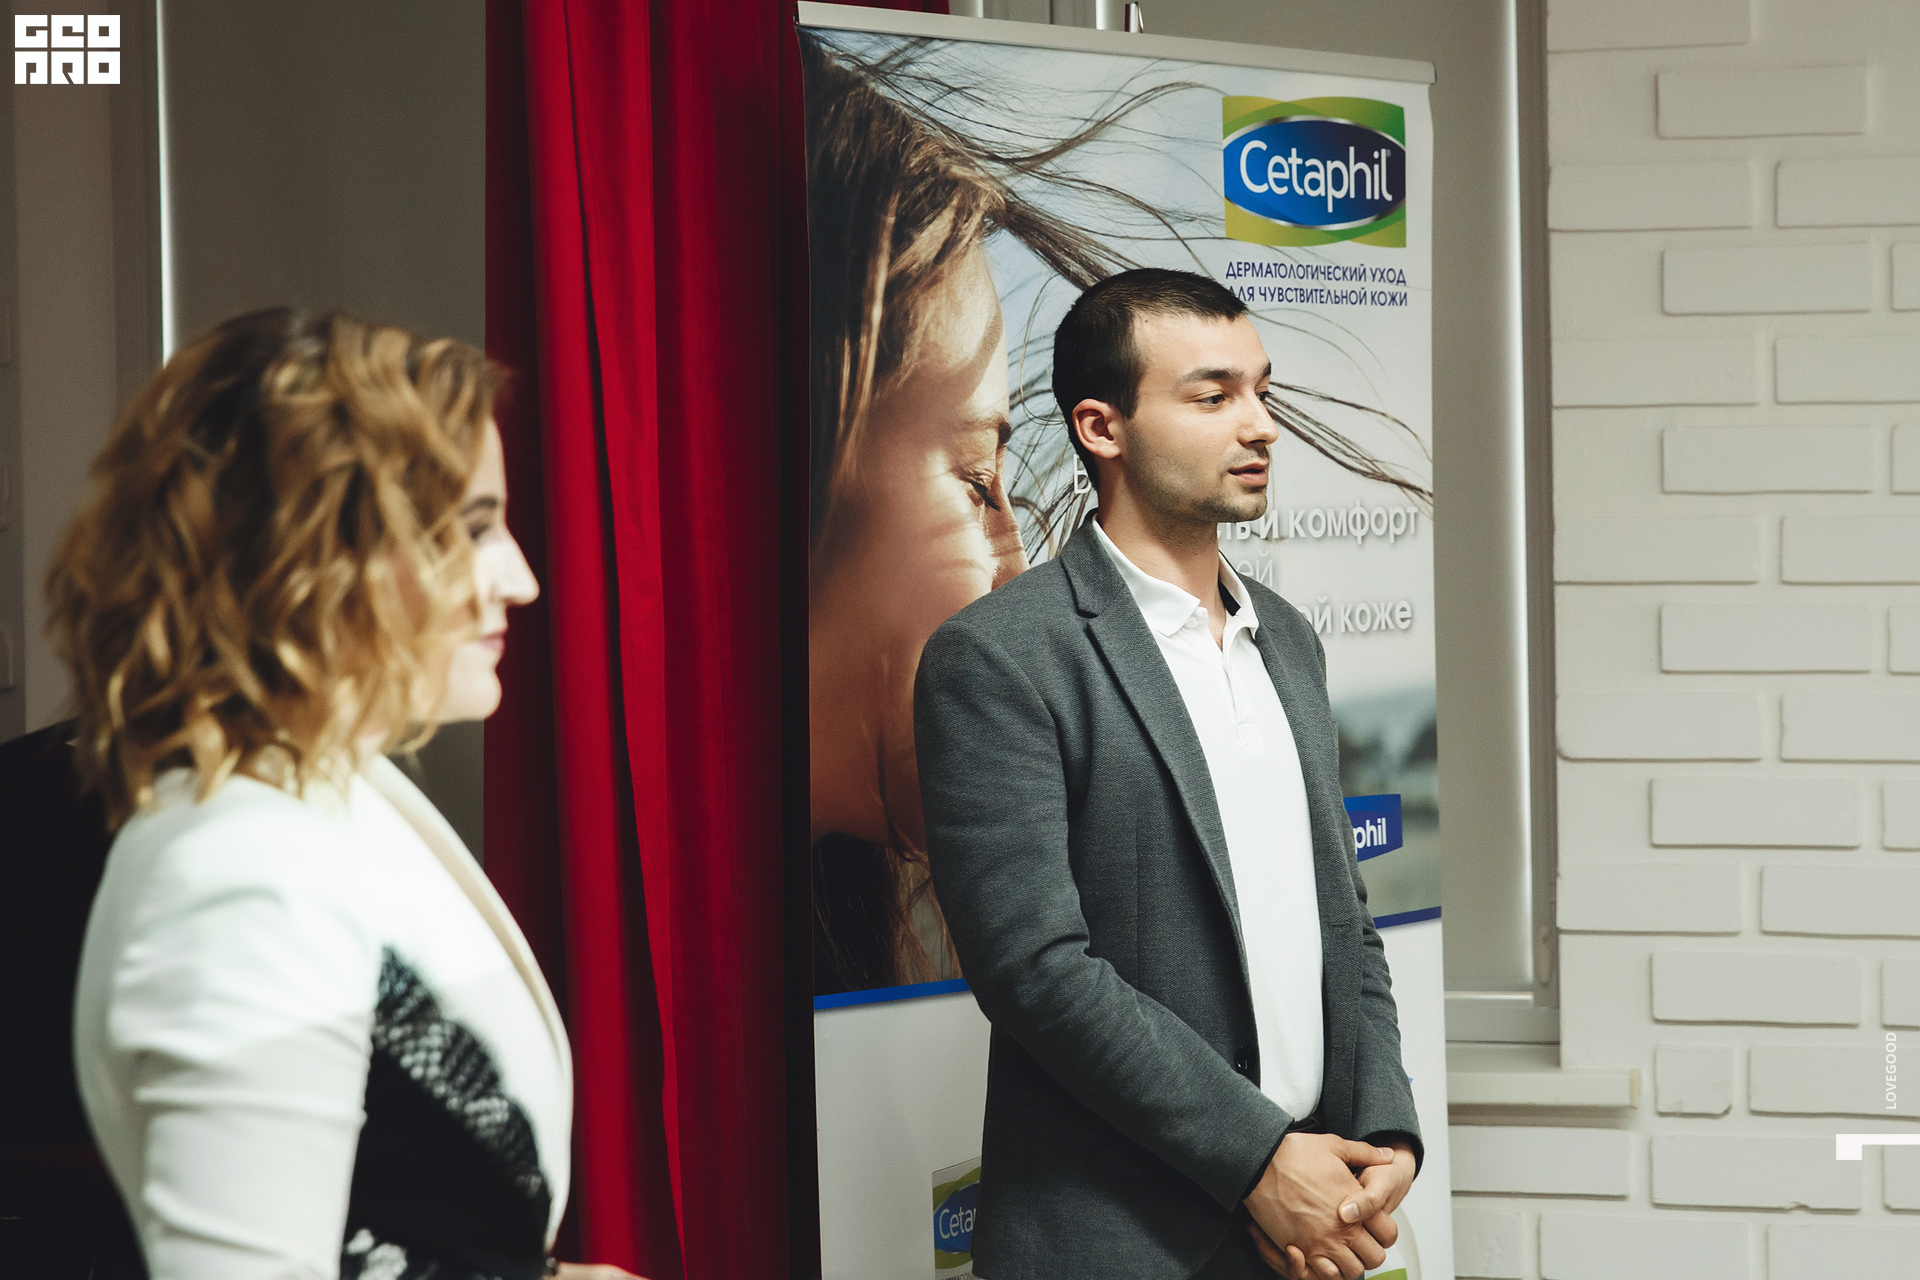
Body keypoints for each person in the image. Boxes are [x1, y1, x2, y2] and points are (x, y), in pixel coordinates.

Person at [55, 308, 638, 1280]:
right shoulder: (235, 876)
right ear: (316, 549)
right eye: (474, 528)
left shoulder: (329, 795)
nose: (522, 580)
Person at [913, 269, 1422, 1280]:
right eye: (1213, 395)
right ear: (1102, 427)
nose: (1261, 424)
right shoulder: (1001, 656)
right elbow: (1035, 972)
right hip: (1119, 1241)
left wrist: (1383, 1131)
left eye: (1262, 390)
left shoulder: (1290, 642)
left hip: (1309, 1226)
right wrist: (1260, 1159)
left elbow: (1344, 919)